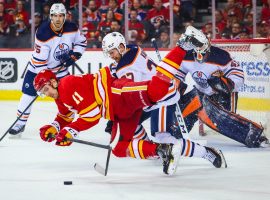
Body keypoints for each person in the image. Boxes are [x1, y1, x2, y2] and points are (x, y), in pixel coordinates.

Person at [34, 38, 227, 175]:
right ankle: (161, 150)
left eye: (45, 88)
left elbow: (91, 114)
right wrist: (55, 127)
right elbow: (65, 115)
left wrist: (71, 131)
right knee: (119, 148)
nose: (45, 93)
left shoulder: (67, 85)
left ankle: (182, 46)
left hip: (118, 93)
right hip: (120, 110)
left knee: (156, 93)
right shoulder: (60, 98)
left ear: (53, 82)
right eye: (42, 91)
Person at [175, 26, 268, 148]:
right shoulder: (186, 55)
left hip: (222, 94)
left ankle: (254, 135)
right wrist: (175, 88)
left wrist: (224, 83)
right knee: (181, 112)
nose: (200, 55)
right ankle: (174, 134)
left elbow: (238, 76)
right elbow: (179, 75)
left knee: (217, 119)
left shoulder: (222, 56)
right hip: (201, 92)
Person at [9, 3, 87, 136]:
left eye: (61, 16)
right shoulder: (43, 32)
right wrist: (46, 82)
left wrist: (74, 55)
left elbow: (81, 42)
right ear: (50, 16)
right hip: (38, 69)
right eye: (55, 16)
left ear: (65, 16)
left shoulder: (72, 28)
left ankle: (67, 123)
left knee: (66, 96)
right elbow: (41, 63)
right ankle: (20, 123)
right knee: (28, 95)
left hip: (60, 70)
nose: (58, 19)